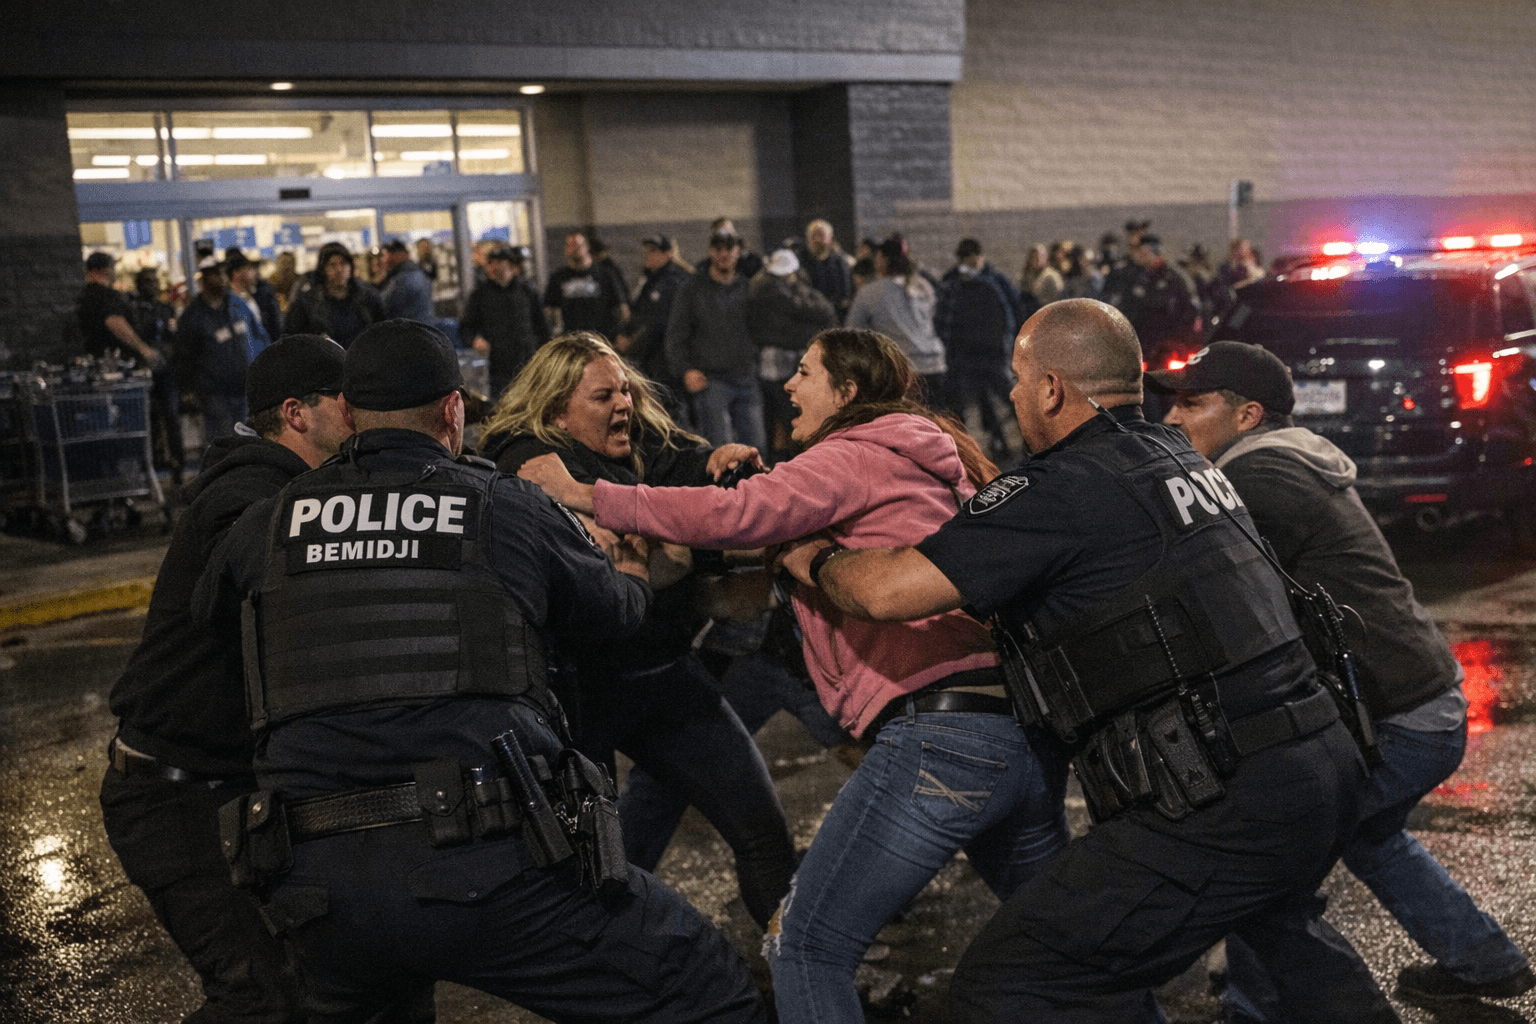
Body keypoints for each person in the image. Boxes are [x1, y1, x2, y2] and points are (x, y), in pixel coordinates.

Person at [779, 299, 1398, 1023]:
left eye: (1017, 378)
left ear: (1051, 388)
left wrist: (813, 555)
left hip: (1219, 800)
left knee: (1010, 983)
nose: (1009, 396)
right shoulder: (1186, 461)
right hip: (1317, 767)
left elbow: (888, 591)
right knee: (1287, 942)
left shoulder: (1059, 488)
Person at [195, 320, 765, 1024]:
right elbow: (616, 613)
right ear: (454, 410)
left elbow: (212, 625)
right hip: (481, 862)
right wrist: (629, 561)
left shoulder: (267, 522)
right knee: (708, 989)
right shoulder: (501, 506)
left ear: (347, 413)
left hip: (316, 885)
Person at [519, 327, 1072, 1024]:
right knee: (1067, 949)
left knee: (806, 947)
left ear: (845, 394)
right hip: (1015, 732)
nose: (787, 384)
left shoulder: (852, 455)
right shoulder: (931, 457)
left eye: (805, 372)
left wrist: (588, 495)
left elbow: (736, 514)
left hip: (940, 737)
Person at [1151, 342, 1536, 1013]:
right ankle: (1484, 961)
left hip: (1397, 717)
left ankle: (1256, 1004)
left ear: (1247, 415)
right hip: (1422, 704)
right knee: (1369, 837)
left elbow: (1202, 594)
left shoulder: (1260, 484)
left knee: (1269, 860)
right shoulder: (1281, 464)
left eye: (1192, 402)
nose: (1172, 418)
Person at [478, 333, 796, 930]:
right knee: (592, 864)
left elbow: (681, 473)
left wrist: (714, 462)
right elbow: (607, 565)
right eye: (603, 395)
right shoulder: (526, 460)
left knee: (762, 831)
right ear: (555, 411)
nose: (623, 402)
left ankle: (806, 980)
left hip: (662, 674)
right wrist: (683, 536)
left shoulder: (638, 438)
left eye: (625, 388)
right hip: (577, 695)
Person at [102, 335, 351, 1024]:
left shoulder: (294, 487)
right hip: (172, 796)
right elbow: (259, 559)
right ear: (297, 413)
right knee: (261, 999)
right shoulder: (245, 495)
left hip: (235, 787)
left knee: (339, 975)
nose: (360, 414)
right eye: (347, 401)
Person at [665, 229, 767, 451]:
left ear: (738, 252)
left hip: (746, 378)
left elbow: (761, 328)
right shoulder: (692, 289)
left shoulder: (747, 288)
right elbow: (676, 334)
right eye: (718, 249)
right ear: (710, 252)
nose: (724, 254)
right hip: (711, 381)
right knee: (717, 451)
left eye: (729, 249)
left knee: (757, 448)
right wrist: (685, 370)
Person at [936, 238, 1031, 460]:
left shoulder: (994, 281)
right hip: (966, 355)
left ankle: (1028, 439)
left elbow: (1013, 314)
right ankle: (995, 444)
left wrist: (1012, 345)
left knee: (1008, 397)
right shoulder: (955, 281)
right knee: (978, 404)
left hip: (991, 354)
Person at [747, 248, 836, 463]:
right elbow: (826, 316)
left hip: (774, 369)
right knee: (792, 423)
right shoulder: (792, 294)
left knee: (777, 426)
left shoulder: (759, 291)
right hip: (786, 368)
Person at [176, 257, 271, 443]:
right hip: (214, 392)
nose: (220, 278)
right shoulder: (193, 316)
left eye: (221, 273)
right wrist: (187, 389)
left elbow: (260, 337)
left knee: (248, 440)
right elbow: (184, 356)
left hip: (245, 388)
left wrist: (265, 369)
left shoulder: (238, 305)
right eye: (214, 274)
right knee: (224, 441)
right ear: (204, 279)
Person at [847, 236, 947, 408]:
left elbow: (852, 333)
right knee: (934, 425)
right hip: (935, 366)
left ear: (883, 261)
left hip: (901, 372)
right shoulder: (923, 286)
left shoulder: (869, 293)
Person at [461, 244, 550, 399]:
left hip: (528, 363)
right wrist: (475, 340)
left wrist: (546, 355)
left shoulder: (527, 291)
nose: (492, 267)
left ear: (510, 266)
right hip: (498, 368)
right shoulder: (480, 295)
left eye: (498, 262)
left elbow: (541, 326)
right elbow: (466, 327)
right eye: (490, 263)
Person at [615, 235, 691, 415]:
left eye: (654, 251)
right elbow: (639, 312)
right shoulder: (652, 280)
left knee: (669, 408)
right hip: (651, 358)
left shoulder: (673, 281)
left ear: (667, 254)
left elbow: (659, 323)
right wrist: (625, 332)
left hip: (665, 358)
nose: (647, 255)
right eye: (647, 251)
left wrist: (634, 346)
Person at [130, 267, 185, 480]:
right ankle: (150, 466)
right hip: (145, 372)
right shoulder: (134, 310)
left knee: (172, 417)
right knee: (147, 420)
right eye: (146, 282)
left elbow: (174, 337)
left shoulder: (166, 308)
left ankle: (177, 464)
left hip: (167, 370)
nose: (151, 286)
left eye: (154, 281)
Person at [282, 242, 386, 349]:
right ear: (323, 269)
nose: (339, 270)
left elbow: (382, 332)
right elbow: (292, 338)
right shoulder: (307, 302)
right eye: (332, 265)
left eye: (343, 263)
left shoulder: (368, 297)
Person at [77, 251, 163, 365]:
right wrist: (144, 350)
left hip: (96, 359)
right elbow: (115, 322)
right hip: (117, 361)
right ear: (106, 270)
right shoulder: (105, 295)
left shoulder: (85, 295)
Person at [1125, 233, 1201, 361]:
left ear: (1156, 251)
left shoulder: (1176, 277)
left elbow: (1191, 310)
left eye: (1145, 252)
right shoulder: (1141, 277)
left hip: (1170, 344)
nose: (1142, 256)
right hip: (1146, 344)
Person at [544, 231, 629, 338]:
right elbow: (548, 310)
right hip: (572, 339)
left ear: (586, 247)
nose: (574, 249)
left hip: (601, 338)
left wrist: (621, 333)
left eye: (578, 245)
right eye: (570, 245)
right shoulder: (559, 277)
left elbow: (622, 307)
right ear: (566, 249)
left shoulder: (605, 274)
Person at [225, 248, 282, 340]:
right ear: (236, 273)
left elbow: (273, 324)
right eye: (248, 268)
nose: (253, 272)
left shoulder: (259, 293)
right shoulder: (229, 302)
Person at [801, 219, 853, 320]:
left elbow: (845, 293)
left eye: (820, 235)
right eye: (813, 236)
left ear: (830, 238)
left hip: (834, 315)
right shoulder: (801, 261)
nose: (816, 239)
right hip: (809, 316)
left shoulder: (839, 262)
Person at [377, 238, 434, 323]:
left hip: (412, 331)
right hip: (422, 328)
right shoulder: (415, 271)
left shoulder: (404, 277)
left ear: (400, 254)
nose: (383, 259)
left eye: (386, 254)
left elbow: (384, 306)